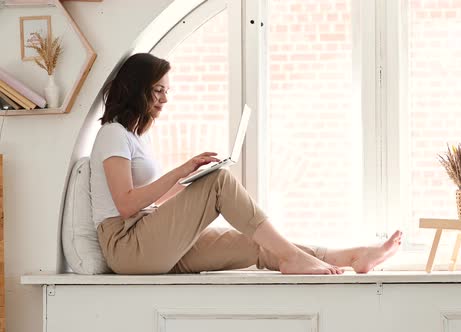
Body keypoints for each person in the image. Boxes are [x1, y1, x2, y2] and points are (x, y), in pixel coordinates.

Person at [90, 53, 402, 275]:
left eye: (166, 91)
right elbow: (127, 205)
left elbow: (151, 200)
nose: (164, 99)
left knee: (254, 241)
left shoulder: (137, 137)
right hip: (128, 247)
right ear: (136, 88)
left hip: (148, 236)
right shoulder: (112, 135)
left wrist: (190, 185)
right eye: (158, 90)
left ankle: (352, 257)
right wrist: (182, 171)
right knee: (219, 182)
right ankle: (294, 257)